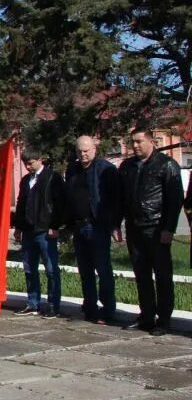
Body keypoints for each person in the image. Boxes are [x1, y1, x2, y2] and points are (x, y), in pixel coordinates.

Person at [119, 127, 185, 335]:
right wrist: (118, 224)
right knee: (141, 275)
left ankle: (163, 320)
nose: (135, 146)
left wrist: (169, 228)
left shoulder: (166, 164)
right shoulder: (127, 166)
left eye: (139, 141)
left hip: (156, 228)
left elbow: (174, 200)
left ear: (151, 141)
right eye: (133, 142)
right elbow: (121, 198)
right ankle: (146, 316)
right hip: (134, 227)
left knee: (163, 276)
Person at [64, 136, 123, 324]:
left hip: (97, 225)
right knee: (85, 271)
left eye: (87, 150)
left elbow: (116, 199)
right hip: (79, 226)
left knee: (103, 270)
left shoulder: (106, 169)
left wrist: (115, 224)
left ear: (94, 149)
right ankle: (90, 307)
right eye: (80, 151)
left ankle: (108, 310)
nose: (83, 154)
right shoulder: (72, 169)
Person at [13, 151, 66, 317]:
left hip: (45, 230)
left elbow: (59, 203)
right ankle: (33, 302)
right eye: (26, 164)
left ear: (40, 160)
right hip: (28, 230)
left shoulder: (52, 177)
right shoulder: (25, 180)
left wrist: (55, 225)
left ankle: (52, 305)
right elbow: (21, 204)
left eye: (31, 163)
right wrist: (18, 227)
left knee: (51, 269)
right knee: (29, 268)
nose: (28, 167)